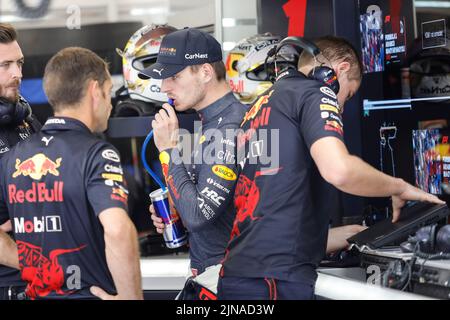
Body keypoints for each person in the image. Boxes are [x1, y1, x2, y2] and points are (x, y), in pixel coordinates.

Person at [218, 35, 445, 300]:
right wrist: (399, 187)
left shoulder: (261, 105)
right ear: (341, 69)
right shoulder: (316, 91)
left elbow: (270, 215)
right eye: (347, 95)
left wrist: (346, 236)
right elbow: (339, 171)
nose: (341, 105)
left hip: (239, 275)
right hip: (275, 282)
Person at [0, 47, 142, 300]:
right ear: (94, 91)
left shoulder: (14, 156)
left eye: (20, 63)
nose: (110, 104)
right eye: (108, 93)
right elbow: (119, 230)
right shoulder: (97, 153)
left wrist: (40, 262)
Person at [138, 28, 247, 299]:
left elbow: (198, 215)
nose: (164, 87)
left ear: (206, 72)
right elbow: (205, 215)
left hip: (230, 281)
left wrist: (170, 150)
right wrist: (174, 208)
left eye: (174, 76)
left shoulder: (231, 126)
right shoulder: (210, 122)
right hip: (210, 279)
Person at [0, 23, 42, 301]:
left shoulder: (26, 120)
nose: (18, 74)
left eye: (20, 63)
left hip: (42, 283)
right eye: (5, 65)